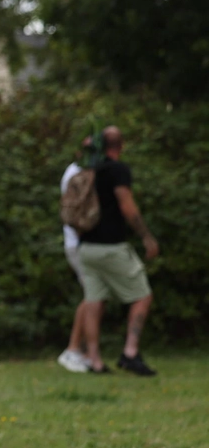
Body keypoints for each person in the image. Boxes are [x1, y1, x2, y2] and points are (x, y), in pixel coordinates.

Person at [78, 125, 159, 376]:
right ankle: (130, 353)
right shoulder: (118, 170)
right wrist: (146, 236)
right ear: (121, 146)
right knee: (142, 296)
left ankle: (94, 360)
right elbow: (127, 206)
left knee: (94, 301)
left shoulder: (89, 170)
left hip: (86, 248)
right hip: (111, 247)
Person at [57, 137, 97, 373]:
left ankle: (81, 351)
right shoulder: (78, 175)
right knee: (92, 294)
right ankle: (73, 349)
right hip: (79, 244)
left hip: (79, 243)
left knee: (93, 295)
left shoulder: (74, 171)